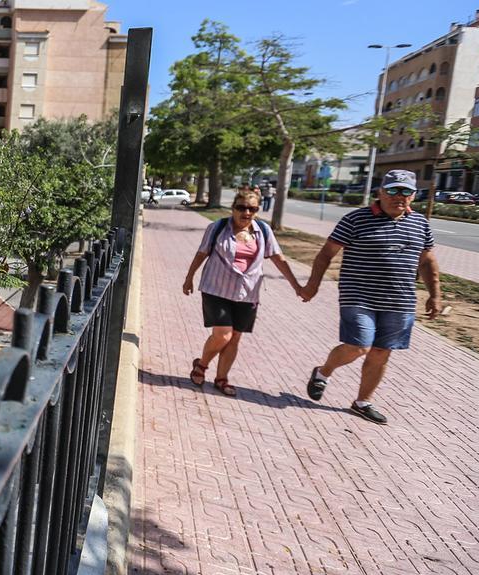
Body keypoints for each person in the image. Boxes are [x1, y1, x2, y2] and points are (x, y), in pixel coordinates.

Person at [301, 169, 442, 425]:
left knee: (380, 352)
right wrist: (313, 284)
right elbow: (325, 254)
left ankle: (362, 402)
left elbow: (427, 260)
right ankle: (323, 372)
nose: (399, 196)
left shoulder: (420, 223)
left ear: (413, 195)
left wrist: (435, 295)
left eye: (406, 191)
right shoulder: (355, 219)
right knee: (359, 346)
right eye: (393, 190)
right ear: (380, 192)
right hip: (358, 296)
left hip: (400, 301)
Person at [182, 188, 304, 396]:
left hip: (248, 292)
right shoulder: (218, 227)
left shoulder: (263, 231)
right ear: (233, 208)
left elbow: (278, 258)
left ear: (257, 210)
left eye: (252, 209)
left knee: (235, 337)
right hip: (216, 288)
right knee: (223, 334)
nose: (246, 213)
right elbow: (202, 253)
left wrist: (297, 286)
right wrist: (189, 277)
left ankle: (222, 378)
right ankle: (201, 365)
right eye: (241, 208)